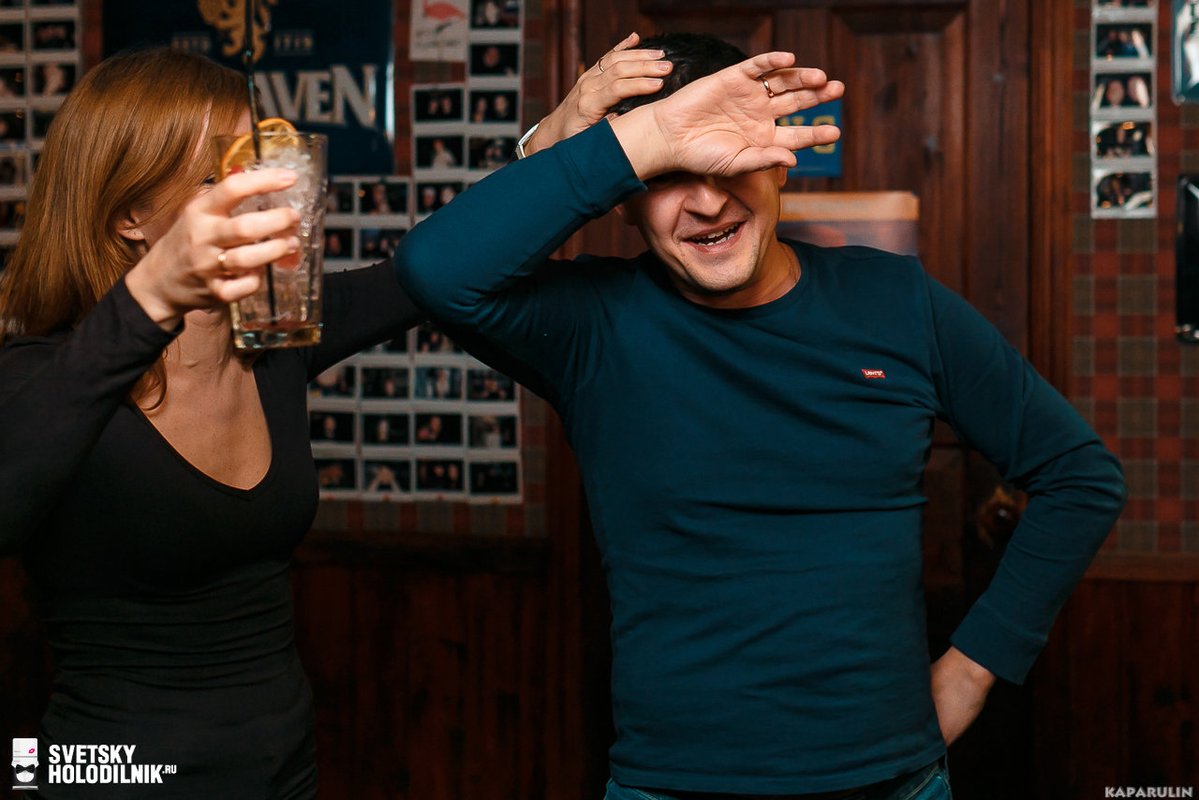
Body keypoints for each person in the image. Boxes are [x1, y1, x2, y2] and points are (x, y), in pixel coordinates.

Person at [396, 33, 1126, 799]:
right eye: (665, 174)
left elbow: (1078, 475)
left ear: (780, 158)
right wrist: (579, 139)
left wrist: (974, 668)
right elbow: (434, 270)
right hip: (673, 786)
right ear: (621, 199)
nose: (707, 201)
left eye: (727, 158)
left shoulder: (894, 301)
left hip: (892, 782)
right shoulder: (593, 326)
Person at [0, 48, 422, 798]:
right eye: (216, 178)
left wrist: (549, 150)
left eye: (256, 168)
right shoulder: (39, 375)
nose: (260, 197)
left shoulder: (276, 339)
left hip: (284, 773)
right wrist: (151, 301)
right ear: (131, 215)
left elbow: (431, 273)